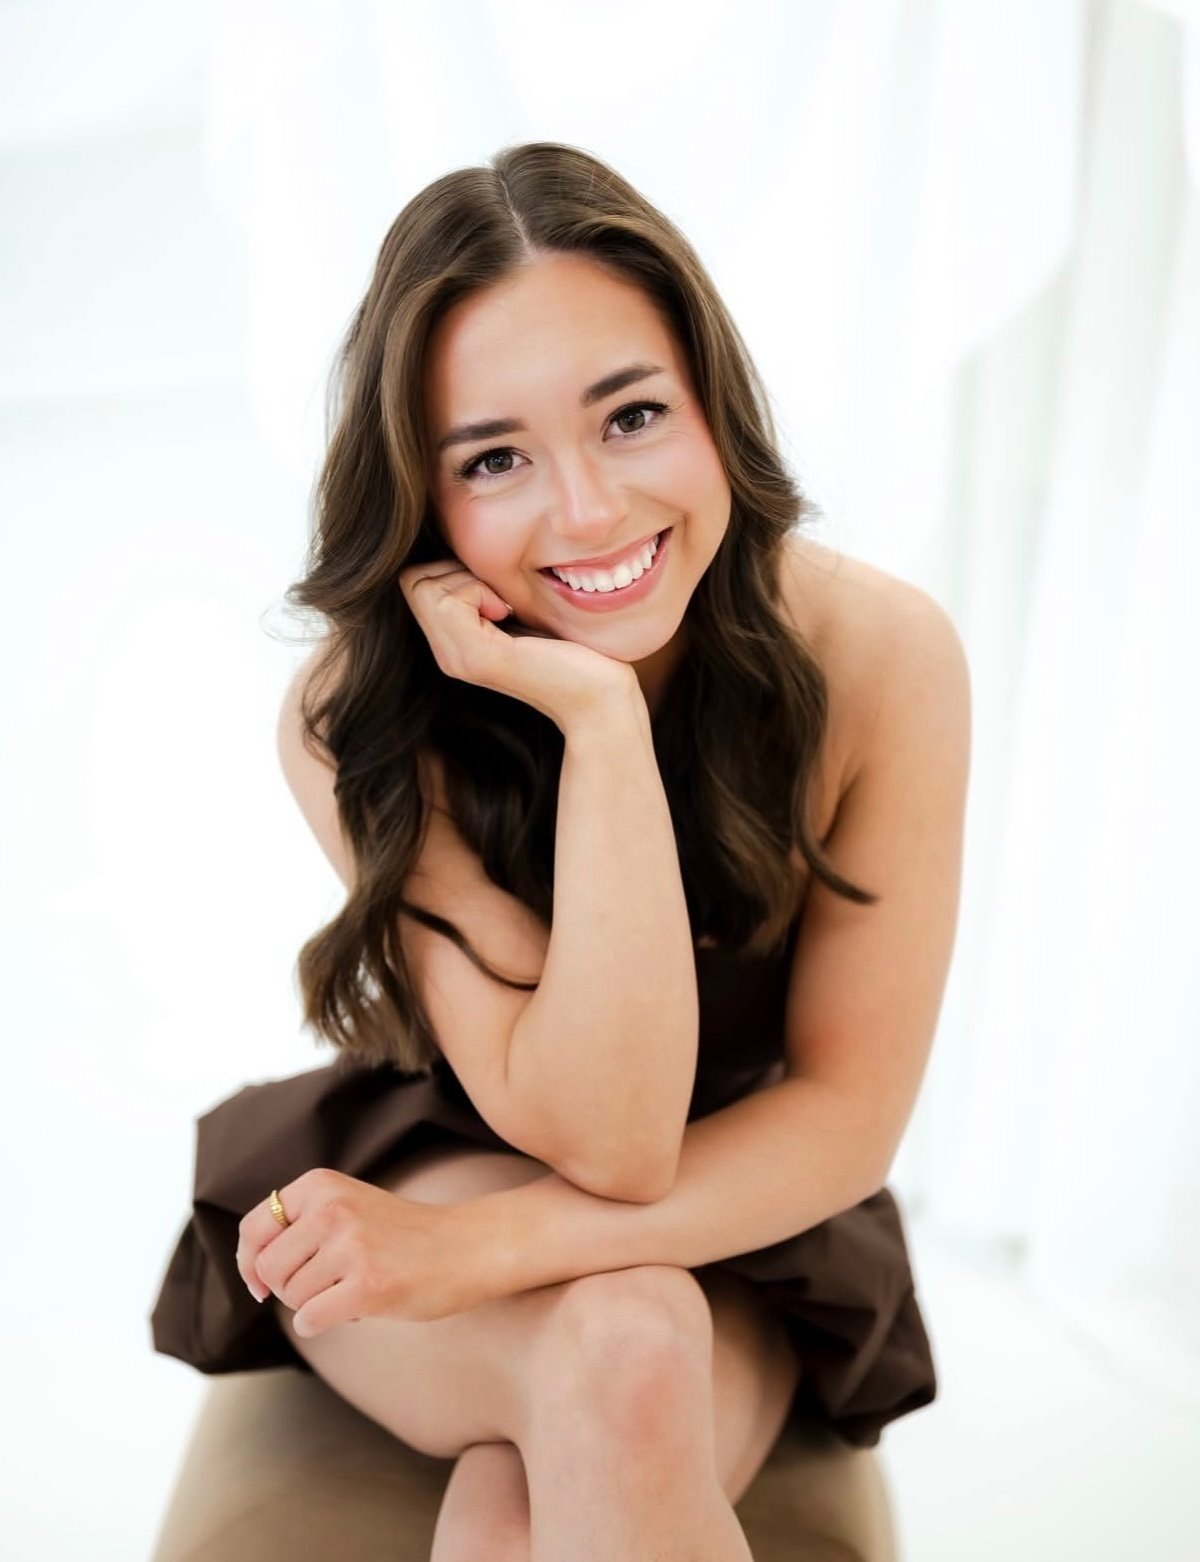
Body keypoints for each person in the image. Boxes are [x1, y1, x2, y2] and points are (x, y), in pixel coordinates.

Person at [150, 140, 970, 1561]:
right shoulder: (359, 718)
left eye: (632, 415)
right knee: (623, 1342)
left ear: (714, 403)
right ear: (424, 500)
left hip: (738, 1193)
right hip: (446, 1155)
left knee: (614, 1360)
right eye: (495, 459)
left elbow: (840, 1115)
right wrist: (597, 722)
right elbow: (601, 1127)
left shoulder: (881, 656)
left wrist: (481, 1255)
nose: (587, 512)